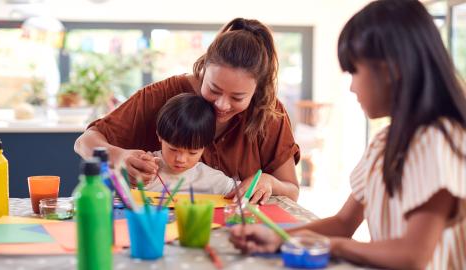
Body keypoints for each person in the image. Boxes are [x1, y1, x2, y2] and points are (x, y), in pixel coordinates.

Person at [229, 1, 466, 269]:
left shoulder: (439, 140)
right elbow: (342, 223)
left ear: (391, 70)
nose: (352, 87)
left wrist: (331, 246)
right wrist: (278, 236)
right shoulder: (384, 143)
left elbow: (412, 255)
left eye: (354, 71)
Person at [74, 18, 300, 204]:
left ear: (257, 90)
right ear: (204, 67)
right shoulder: (161, 96)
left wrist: (269, 182)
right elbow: (84, 142)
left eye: (238, 97)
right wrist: (120, 157)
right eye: (214, 89)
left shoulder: (268, 112)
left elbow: (291, 190)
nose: (222, 104)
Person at [145, 93, 235, 195]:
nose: (181, 160)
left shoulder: (212, 179)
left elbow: (243, 193)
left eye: (192, 153)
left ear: (205, 147)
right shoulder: (145, 167)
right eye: (173, 149)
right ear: (159, 136)